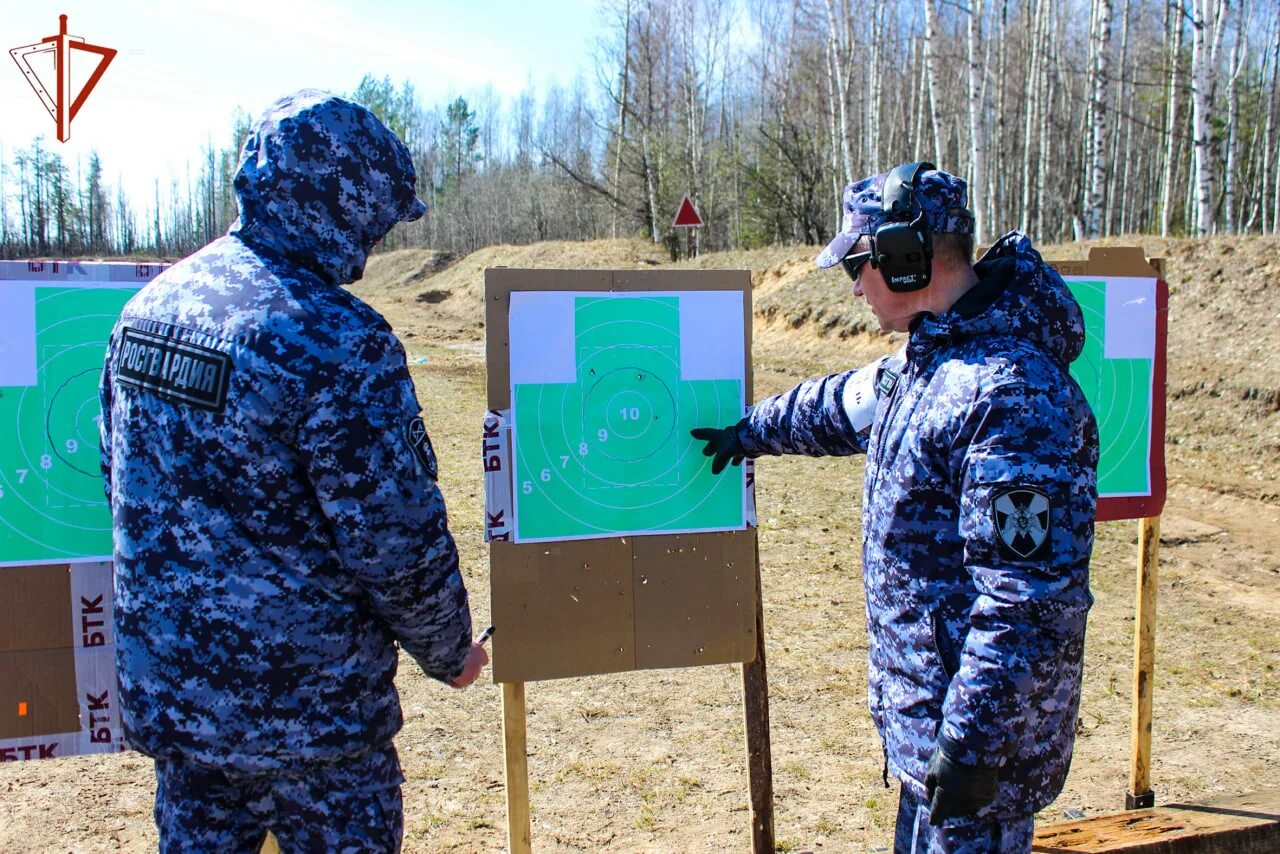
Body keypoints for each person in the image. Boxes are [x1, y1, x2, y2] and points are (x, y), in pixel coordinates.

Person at [98, 90, 488, 853]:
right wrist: (450, 651)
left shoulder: (144, 312)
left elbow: (117, 478)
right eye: (376, 214)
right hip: (313, 731)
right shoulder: (336, 339)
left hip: (179, 713)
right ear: (341, 201)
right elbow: (397, 540)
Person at [693, 162, 1098, 853]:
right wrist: (750, 431)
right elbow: (837, 406)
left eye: (859, 263)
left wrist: (972, 744)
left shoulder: (1011, 394)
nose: (853, 285)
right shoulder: (931, 364)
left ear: (906, 260)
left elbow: (1028, 598)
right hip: (935, 730)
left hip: (980, 754)